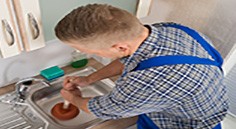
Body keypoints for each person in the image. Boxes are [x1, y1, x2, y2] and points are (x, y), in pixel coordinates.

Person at [54, 4, 229, 129]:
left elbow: (101, 110)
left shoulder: (147, 81)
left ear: (120, 47)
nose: (91, 55)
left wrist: (71, 98)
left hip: (182, 124)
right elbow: (130, 59)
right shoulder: (169, 30)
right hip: (195, 103)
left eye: (90, 51)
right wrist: (88, 79)